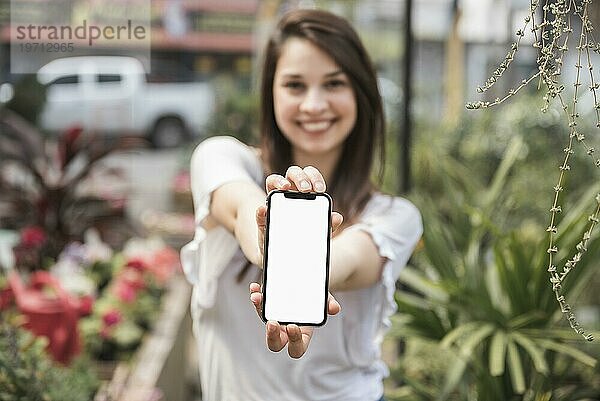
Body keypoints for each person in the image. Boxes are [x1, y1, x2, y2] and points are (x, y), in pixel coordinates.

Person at [180, 8, 422, 401]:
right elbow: (243, 209)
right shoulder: (220, 157)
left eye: (333, 84)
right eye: (294, 85)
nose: (313, 104)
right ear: (271, 92)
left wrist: (312, 269)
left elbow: (348, 261)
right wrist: (268, 238)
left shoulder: (396, 216)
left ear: (361, 93)